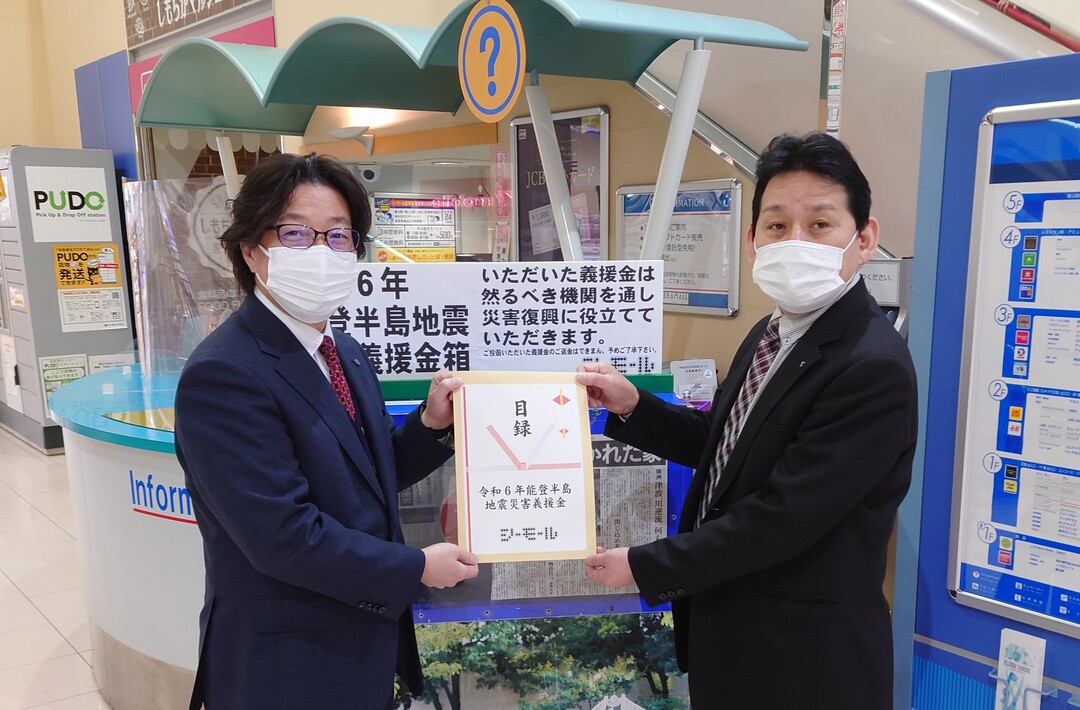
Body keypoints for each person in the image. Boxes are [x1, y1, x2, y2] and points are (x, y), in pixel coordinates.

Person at [578, 132, 918, 709]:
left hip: (803, 660)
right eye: (777, 225)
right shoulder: (771, 333)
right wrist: (632, 404)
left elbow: (783, 516)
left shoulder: (871, 365)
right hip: (735, 634)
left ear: (864, 239)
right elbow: (726, 448)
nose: (795, 241)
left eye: (820, 224)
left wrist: (645, 565)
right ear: (753, 240)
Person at [173, 153, 479, 710]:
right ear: (251, 250)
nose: (321, 252)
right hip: (286, 661)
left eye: (338, 236)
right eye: (295, 233)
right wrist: (416, 568)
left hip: (359, 642)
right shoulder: (224, 373)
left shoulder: (343, 351)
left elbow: (367, 472)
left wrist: (431, 425)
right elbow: (283, 537)